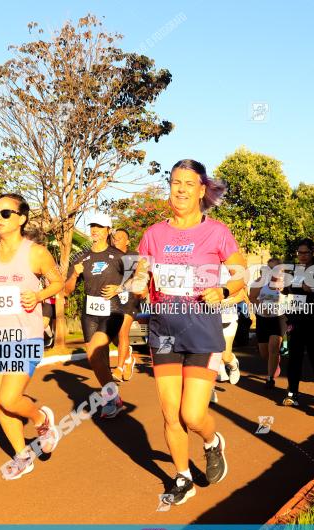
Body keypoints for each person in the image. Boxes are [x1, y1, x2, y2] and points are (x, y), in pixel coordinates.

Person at [135, 159, 247, 505]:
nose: (180, 189)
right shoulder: (154, 234)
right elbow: (142, 271)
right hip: (164, 330)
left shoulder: (217, 232)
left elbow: (243, 277)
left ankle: (212, 442)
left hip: (201, 332)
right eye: (174, 182)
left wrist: (225, 291)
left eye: (188, 183)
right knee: (170, 413)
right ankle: (182, 477)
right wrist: (139, 283)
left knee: (192, 415)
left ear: (201, 191)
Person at [0, 193, 64, 480]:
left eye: (6, 214)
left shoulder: (36, 252)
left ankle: (41, 418)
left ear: (22, 218)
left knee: (9, 398)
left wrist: (39, 295)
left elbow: (57, 283)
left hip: (26, 335)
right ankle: (22, 455)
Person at [64, 212, 127, 419]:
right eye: (92, 226)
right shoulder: (81, 258)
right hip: (89, 313)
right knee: (96, 359)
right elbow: (67, 290)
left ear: (108, 230)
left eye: (99, 227)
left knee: (92, 352)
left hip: (113, 310)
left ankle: (109, 398)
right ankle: (113, 397)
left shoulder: (118, 256)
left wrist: (119, 288)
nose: (94, 230)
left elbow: (140, 280)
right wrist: (74, 274)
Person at [282, 239, 314, 407]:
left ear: (312, 252)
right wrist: (282, 287)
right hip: (296, 319)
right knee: (294, 357)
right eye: (300, 253)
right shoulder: (294, 270)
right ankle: (292, 392)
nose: (302, 256)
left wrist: (312, 289)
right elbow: (288, 290)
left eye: (306, 252)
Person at [250, 258, 286, 389]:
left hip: (279, 319)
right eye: (270, 268)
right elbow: (252, 297)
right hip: (262, 319)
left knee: (273, 348)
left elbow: (294, 299)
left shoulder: (287, 283)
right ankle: (275, 363)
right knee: (264, 353)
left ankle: (270, 377)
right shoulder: (260, 282)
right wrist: (261, 306)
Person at [111, 228, 140, 382]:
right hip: (112, 299)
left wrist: (121, 287)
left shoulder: (133, 256)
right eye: (115, 238)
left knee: (123, 332)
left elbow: (137, 278)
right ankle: (128, 356)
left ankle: (119, 368)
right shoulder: (108, 255)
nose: (116, 240)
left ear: (127, 241)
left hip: (130, 298)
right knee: (113, 336)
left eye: (120, 238)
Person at [215, 264, 246, 386]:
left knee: (226, 355)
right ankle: (210, 388)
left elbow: (241, 296)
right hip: (209, 318)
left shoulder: (231, 270)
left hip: (228, 317)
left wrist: (225, 302)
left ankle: (233, 365)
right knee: (209, 352)